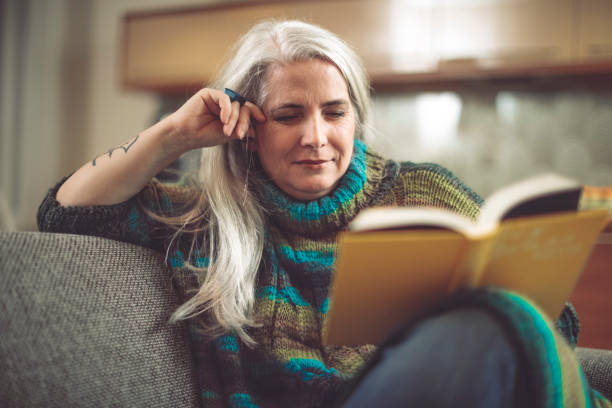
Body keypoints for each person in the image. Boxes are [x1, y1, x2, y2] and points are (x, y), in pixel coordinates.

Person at [38, 20, 609, 408]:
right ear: (248, 127)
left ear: (354, 117)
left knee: (503, 323)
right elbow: (64, 214)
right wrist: (171, 136)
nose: (317, 137)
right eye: (288, 115)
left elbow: (553, 321)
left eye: (334, 112)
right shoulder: (208, 219)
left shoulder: (423, 192)